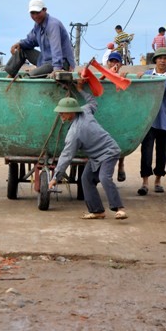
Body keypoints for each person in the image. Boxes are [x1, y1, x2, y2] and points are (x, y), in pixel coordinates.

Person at [48, 80, 128, 220]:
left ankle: (119, 208)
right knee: (86, 179)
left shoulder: (74, 133)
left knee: (104, 177)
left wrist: (55, 178)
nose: (61, 115)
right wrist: (81, 90)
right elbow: (92, 102)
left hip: (109, 152)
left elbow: (66, 157)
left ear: (72, 112)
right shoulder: (85, 110)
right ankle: (97, 211)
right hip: (96, 157)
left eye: (63, 113)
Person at [137, 47, 166, 196]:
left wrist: (148, 80)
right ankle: (145, 182)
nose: (162, 60)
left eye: (165, 58)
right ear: (155, 60)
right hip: (149, 121)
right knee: (146, 152)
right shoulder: (147, 74)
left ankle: (158, 180)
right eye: (160, 58)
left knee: (163, 153)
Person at [4, 0, 75, 78]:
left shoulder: (52, 25)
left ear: (45, 10)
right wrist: (20, 43)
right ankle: (8, 77)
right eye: (32, 13)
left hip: (60, 63)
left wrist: (57, 69)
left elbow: (56, 50)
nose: (35, 16)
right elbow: (30, 41)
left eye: (38, 12)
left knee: (29, 77)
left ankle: (26, 79)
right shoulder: (38, 26)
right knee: (22, 50)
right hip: (45, 60)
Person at [105, 51, 127, 182]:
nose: (114, 64)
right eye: (111, 61)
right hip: (105, 111)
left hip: (118, 112)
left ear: (120, 64)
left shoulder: (122, 76)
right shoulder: (102, 75)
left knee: (119, 141)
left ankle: (121, 165)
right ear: (107, 63)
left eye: (116, 62)